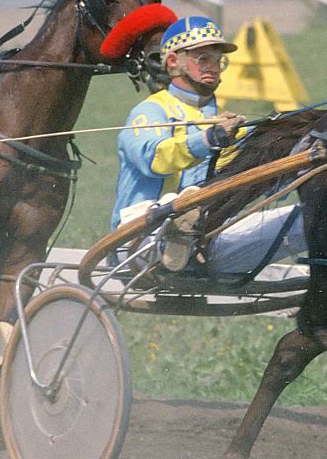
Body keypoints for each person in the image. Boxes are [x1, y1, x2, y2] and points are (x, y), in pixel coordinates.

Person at [111, 15, 305, 274]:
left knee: (310, 218)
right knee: (180, 202)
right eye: (203, 59)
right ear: (172, 62)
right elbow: (156, 159)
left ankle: (188, 240)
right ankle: (180, 231)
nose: (213, 67)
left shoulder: (222, 120)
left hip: (208, 235)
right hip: (138, 237)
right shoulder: (149, 111)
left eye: (218, 60)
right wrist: (208, 139)